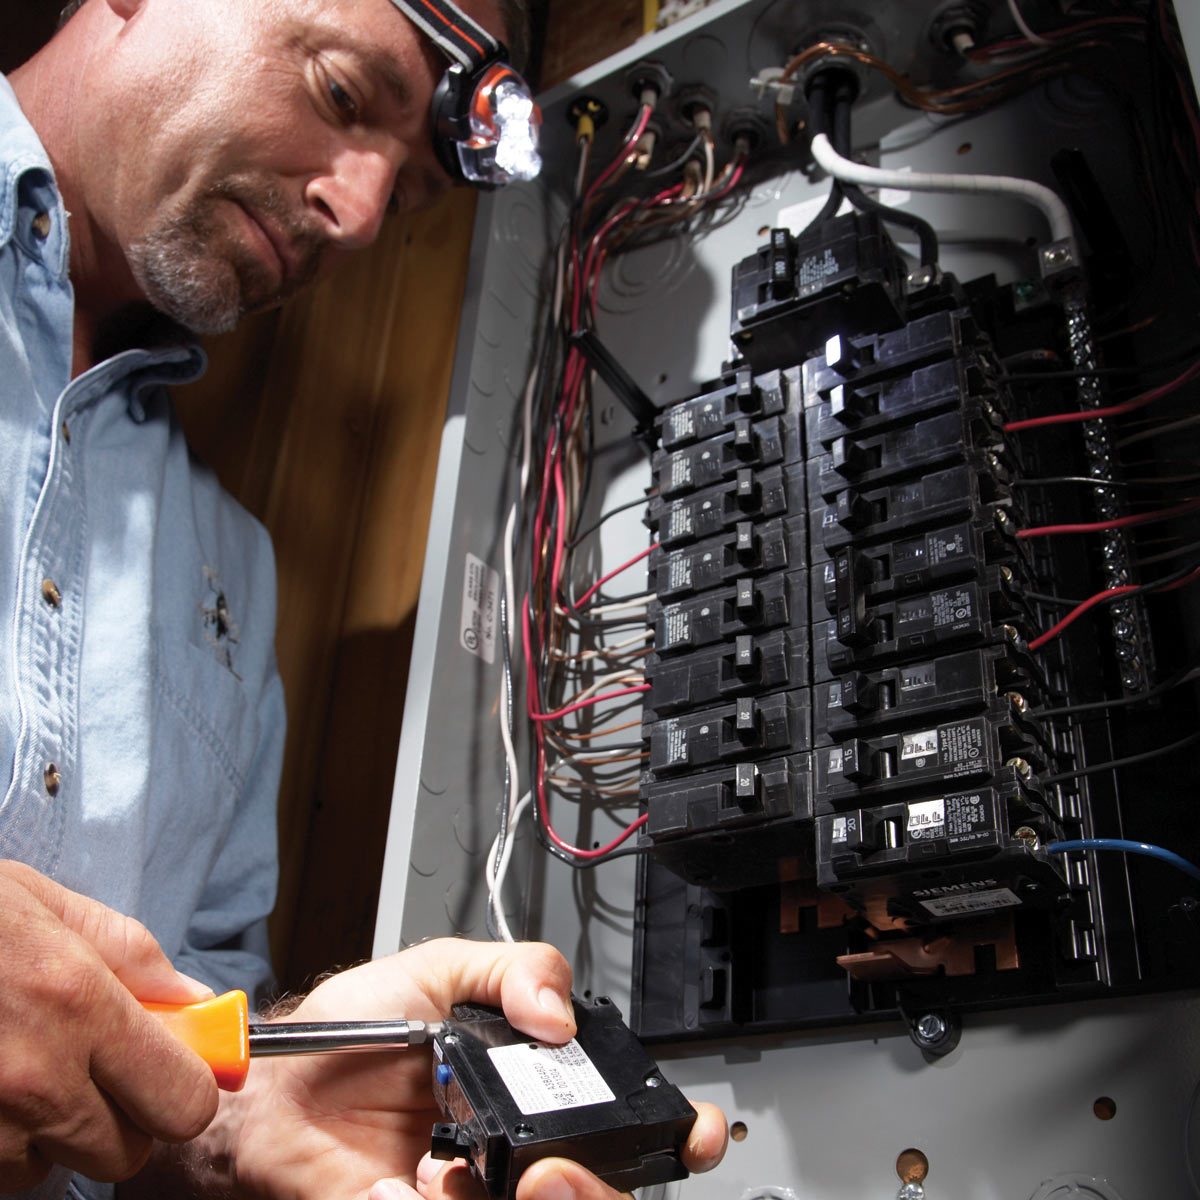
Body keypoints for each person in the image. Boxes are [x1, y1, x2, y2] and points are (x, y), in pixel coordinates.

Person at [0, 1, 728, 1198]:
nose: (360, 215)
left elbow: (154, 1069)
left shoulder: (226, 568)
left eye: (412, 197)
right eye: (342, 94)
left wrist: (255, 1115)